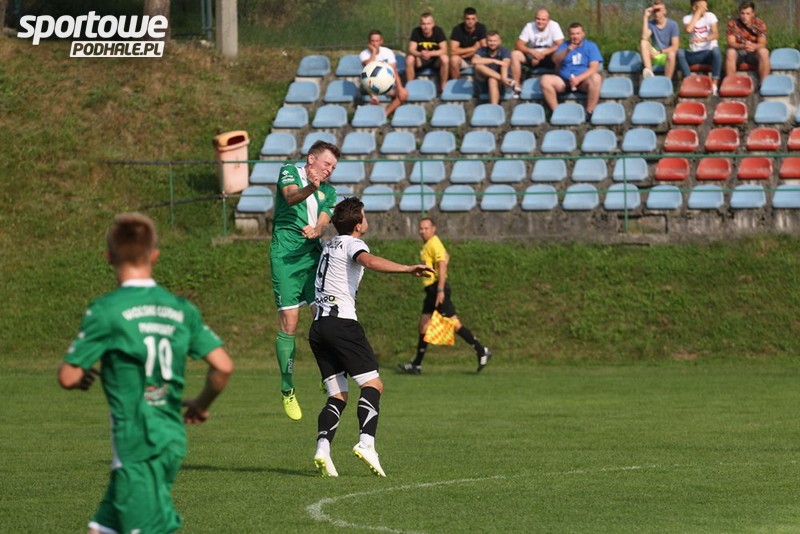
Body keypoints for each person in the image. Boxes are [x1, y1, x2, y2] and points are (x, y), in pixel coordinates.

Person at [58, 212, 233, 534]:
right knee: (101, 529)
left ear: (109, 257)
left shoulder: (107, 310)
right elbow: (223, 366)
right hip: (167, 438)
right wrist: (201, 403)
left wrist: (82, 374)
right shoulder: (180, 309)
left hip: (138, 444)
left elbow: (68, 377)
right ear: (154, 255)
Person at [310, 197, 433, 477]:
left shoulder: (328, 245)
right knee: (373, 384)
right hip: (342, 324)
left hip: (318, 327)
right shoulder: (353, 244)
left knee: (338, 395)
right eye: (364, 216)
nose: (367, 220)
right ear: (357, 224)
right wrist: (407, 268)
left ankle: (323, 449)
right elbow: (369, 260)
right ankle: (366, 443)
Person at [270, 140, 339, 420]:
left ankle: (328, 375)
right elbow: (290, 197)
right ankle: (287, 389)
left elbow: (323, 222)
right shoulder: (289, 171)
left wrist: (317, 231)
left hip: (312, 257)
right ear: (311, 159)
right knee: (290, 323)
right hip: (285, 256)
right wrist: (311, 187)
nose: (329, 170)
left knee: (324, 318)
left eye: (333, 167)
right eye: (327, 163)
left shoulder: (329, 192)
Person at [398, 217, 492, 375]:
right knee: (423, 325)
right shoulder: (429, 244)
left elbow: (442, 265)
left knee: (454, 324)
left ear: (433, 229)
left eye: (426, 228)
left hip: (437, 289)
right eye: (421, 228)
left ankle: (482, 350)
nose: (422, 231)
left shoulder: (434, 243)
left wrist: (440, 290)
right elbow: (446, 257)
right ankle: (416, 365)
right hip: (431, 290)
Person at [539, 22, 603, 118]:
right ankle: (556, 112)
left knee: (596, 78)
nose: (575, 37)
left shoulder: (591, 46)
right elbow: (555, 60)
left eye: (577, 33)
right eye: (572, 34)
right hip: (564, 81)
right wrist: (567, 51)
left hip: (583, 81)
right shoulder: (564, 46)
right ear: (569, 35)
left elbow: (594, 68)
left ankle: (589, 111)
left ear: (583, 34)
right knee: (545, 79)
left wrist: (578, 79)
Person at [510, 9, 564, 94]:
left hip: (549, 55)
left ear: (548, 20)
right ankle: (516, 86)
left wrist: (542, 54)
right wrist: (532, 52)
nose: (540, 22)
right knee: (515, 54)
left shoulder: (554, 25)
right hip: (533, 55)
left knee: (560, 55)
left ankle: (560, 84)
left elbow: (560, 44)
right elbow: (519, 44)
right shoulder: (529, 26)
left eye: (543, 20)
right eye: (538, 19)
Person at [359, 29, 409, 117]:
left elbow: (394, 71)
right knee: (367, 76)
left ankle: (385, 115)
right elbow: (368, 67)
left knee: (404, 93)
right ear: (369, 42)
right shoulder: (364, 54)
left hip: (386, 85)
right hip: (370, 86)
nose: (375, 44)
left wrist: (400, 87)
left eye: (377, 41)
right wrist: (374, 52)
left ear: (381, 41)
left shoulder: (388, 52)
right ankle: (373, 98)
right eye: (372, 41)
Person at [677, 0, 722, 94]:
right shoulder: (687, 18)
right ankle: (689, 80)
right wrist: (697, 13)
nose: (706, 9)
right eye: (703, 7)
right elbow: (688, 30)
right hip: (695, 53)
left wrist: (703, 39)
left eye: (706, 6)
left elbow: (716, 34)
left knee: (716, 51)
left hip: (709, 52)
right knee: (680, 52)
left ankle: (714, 84)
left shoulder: (710, 16)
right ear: (694, 7)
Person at [725, 1, 769, 83]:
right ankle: (731, 83)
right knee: (730, 52)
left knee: (764, 52)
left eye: (748, 14)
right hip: (739, 52)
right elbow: (730, 42)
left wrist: (753, 46)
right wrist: (743, 46)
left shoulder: (759, 23)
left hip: (754, 52)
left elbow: (762, 43)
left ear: (753, 14)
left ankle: (764, 84)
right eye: (742, 13)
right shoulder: (733, 24)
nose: (744, 16)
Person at [406, 12, 449, 93]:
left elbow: (444, 50)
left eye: (428, 24)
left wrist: (430, 53)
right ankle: (410, 87)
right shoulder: (416, 31)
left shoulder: (438, 31)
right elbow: (411, 49)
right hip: (421, 59)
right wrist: (420, 54)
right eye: (423, 24)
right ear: (420, 24)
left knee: (445, 58)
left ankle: (443, 87)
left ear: (433, 24)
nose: (426, 27)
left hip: (435, 61)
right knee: (409, 59)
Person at [640, 0, 680, 79]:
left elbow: (675, 46)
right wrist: (645, 17)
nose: (656, 13)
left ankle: (666, 81)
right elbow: (644, 37)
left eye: (658, 10)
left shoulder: (673, 24)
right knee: (643, 43)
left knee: (672, 54)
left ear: (664, 11)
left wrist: (660, 52)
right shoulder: (651, 24)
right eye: (654, 11)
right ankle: (650, 75)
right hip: (655, 55)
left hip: (666, 55)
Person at [472, 30, 513, 105]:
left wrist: (503, 78)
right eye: (490, 41)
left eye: (495, 41)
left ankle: (494, 108)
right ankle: (503, 80)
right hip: (485, 81)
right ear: (486, 42)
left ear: (499, 41)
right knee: (478, 66)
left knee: (492, 79)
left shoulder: (504, 50)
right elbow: (474, 61)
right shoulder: (481, 50)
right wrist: (493, 61)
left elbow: (504, 65)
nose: (492, 43)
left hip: (502, 83)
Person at [448, 7, 487, 81]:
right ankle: (456, 83)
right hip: (462, 59)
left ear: (476, 19)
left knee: (486, 58)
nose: (470, 21)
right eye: (468, 19)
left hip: (476, 58)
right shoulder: (457, 29)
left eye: (473, 19)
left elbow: (484, 48)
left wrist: (468, 54)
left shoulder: (481, 28)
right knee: (454, 60)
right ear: (464, 19)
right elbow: (453, 51)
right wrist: (473, 48)